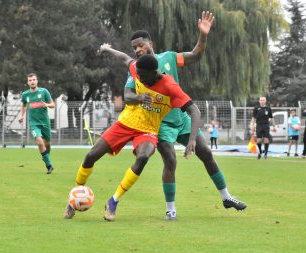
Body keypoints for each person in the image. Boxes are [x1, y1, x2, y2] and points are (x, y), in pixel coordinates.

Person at [101, 11, 246, 221]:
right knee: (170, 160)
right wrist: (107, 49)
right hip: (159, 124)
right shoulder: (136, 69)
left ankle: (226, 197)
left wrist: (203, 35)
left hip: (181, 118)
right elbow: (126, 73)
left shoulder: (169, 57)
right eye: (134, 48)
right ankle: (171, 209)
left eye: (140, 44)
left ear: (150, 42)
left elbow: (195, 55)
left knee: (205, 152)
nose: (138, 49)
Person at [64, 54, 201, 221]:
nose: (140, 79)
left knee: (144, 156)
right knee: (91, 156)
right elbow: (125, 62)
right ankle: (74, 199)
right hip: (125, 124)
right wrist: (108, 49)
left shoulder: (170, 87)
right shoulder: (137, 69)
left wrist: (192, 139)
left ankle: (113, 201)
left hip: (148, 130)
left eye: (143, 76)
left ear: (154, 72)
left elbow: (195, 110)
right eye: (138, 75)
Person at [19, 73, 55, 174]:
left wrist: (47, 104)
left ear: (37, 81)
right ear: (28, 82)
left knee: (47, 144)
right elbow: (23, 105)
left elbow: (53, 105)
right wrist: (21, 115)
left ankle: (46, 157)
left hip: (45, 122)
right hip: (33, 123)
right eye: (30, 80)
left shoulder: (44, 92)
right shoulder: (25, 94)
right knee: (39, 142)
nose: (32, 82)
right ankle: (49, 165)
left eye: (34, 80)